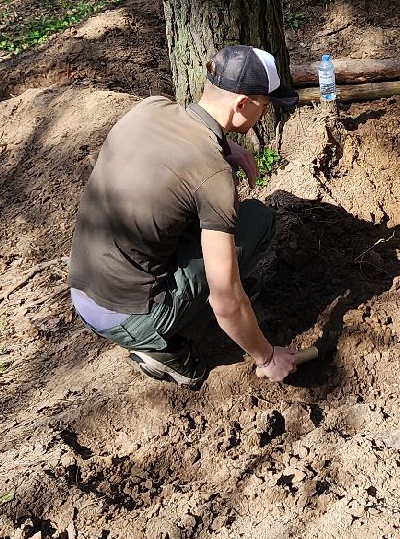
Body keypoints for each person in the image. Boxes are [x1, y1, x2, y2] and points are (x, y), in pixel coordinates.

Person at [68, 45, 304, 389]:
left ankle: (168, 319)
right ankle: (166, 349)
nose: (264, 115)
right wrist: (267, 357)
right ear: (241, 105)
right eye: (265, 106)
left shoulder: (151, 108)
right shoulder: (212, 175)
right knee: (256, 221)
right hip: (128, 316)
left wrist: (226, 146)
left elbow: (179, 151)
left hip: (85, 289)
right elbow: (226, 300)